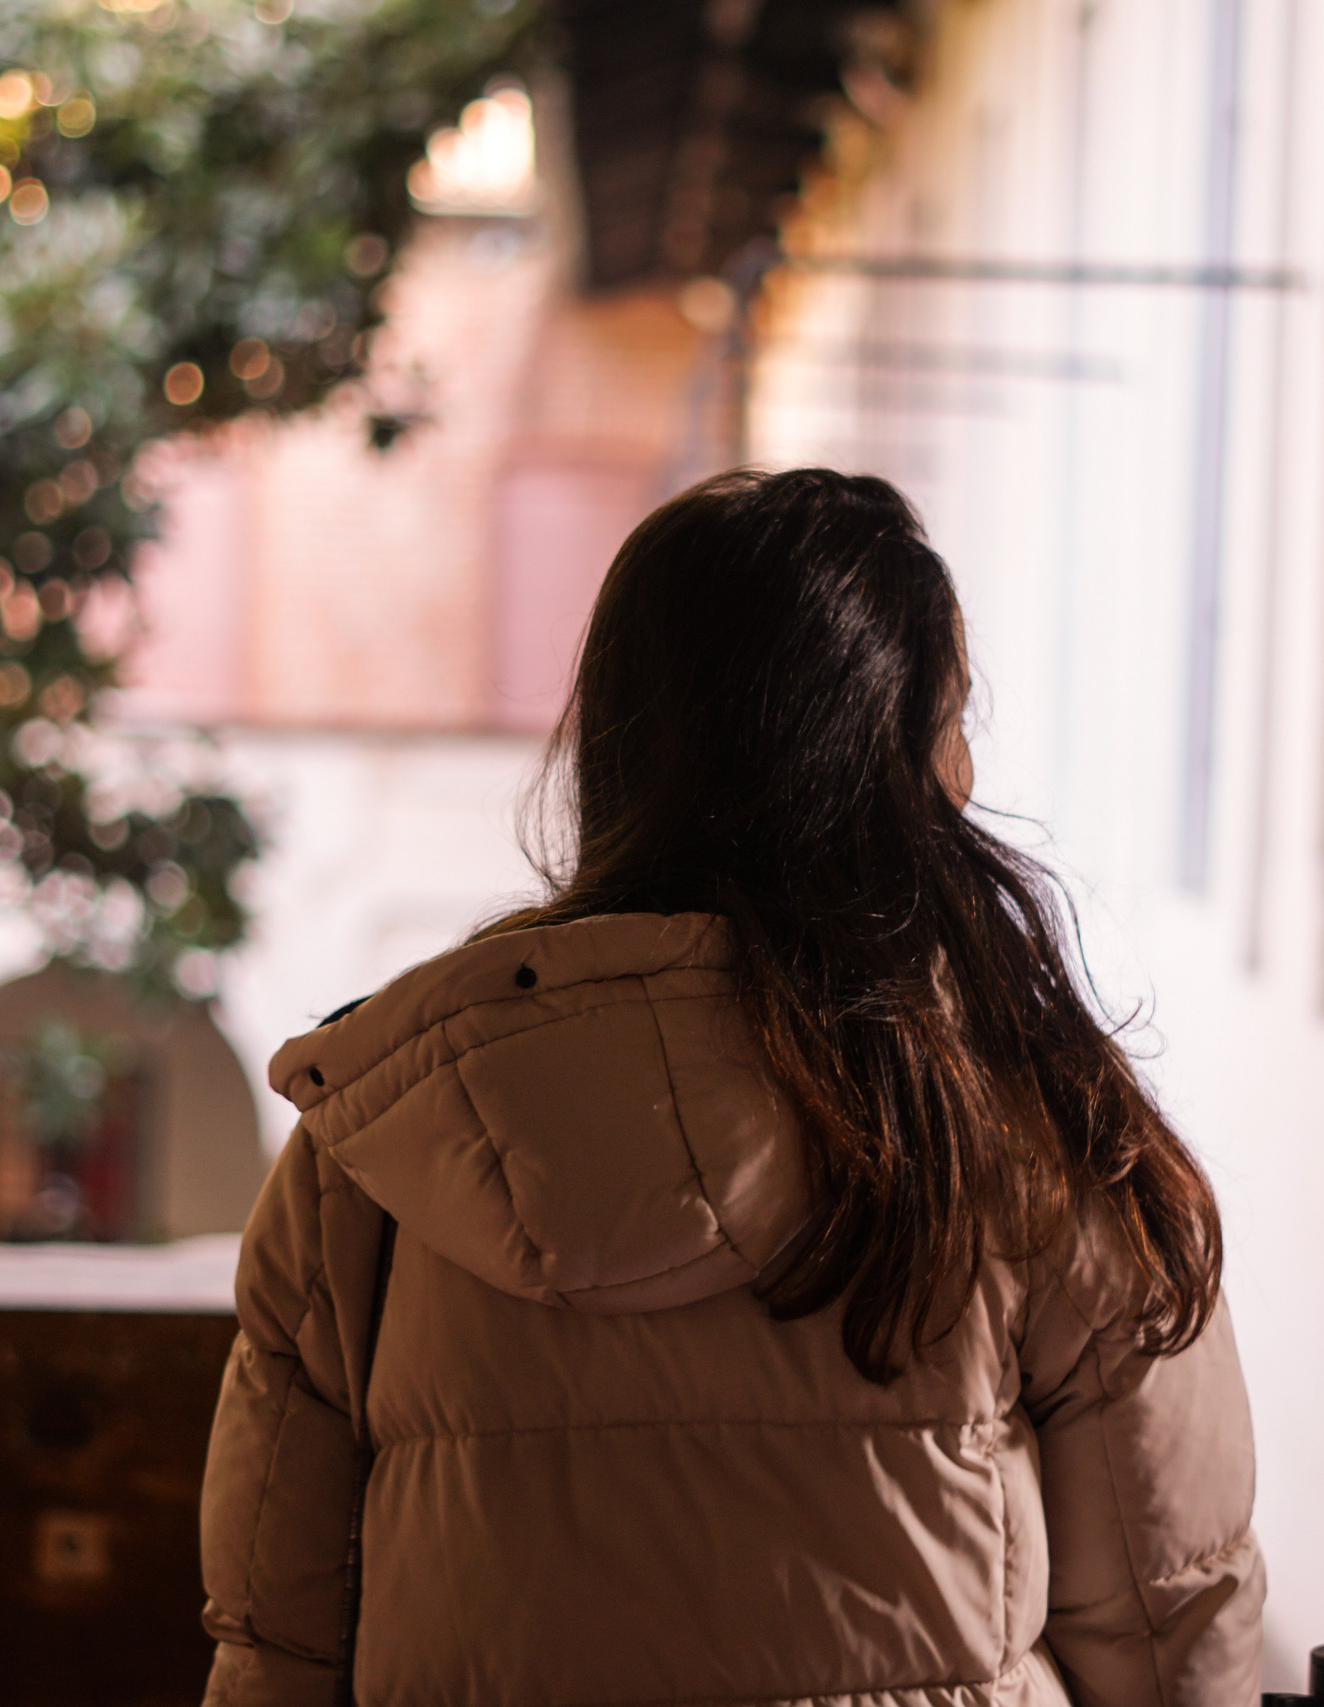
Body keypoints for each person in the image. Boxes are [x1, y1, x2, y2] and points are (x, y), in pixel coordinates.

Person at [197, 469, 1264, 1707]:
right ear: (893, 755)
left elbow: (273, 1647)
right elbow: (1166, 1623)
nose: (965, 766)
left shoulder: (384, 1142)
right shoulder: (1025, 1129)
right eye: (950, 719)